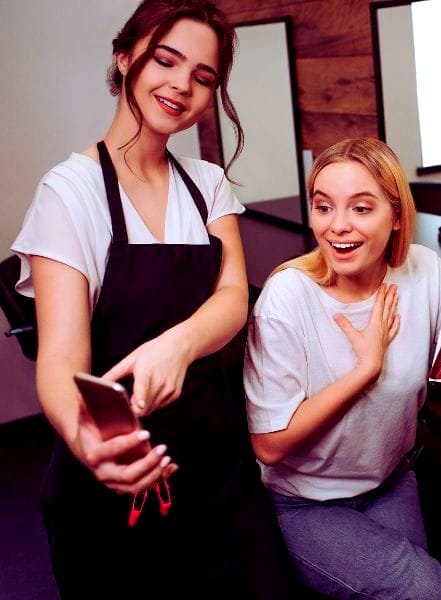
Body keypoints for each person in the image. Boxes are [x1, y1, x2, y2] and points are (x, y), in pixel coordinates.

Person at [12, 1, 295, 597]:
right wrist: (87, 438)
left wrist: (178, 343)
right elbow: (60, 357)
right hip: (119, 470)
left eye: (203, 76)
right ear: (125, 57)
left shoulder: (207, 184)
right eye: (166, 61)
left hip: (218, 465)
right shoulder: (71, 192)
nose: (182, 86)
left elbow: (232, 296)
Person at [244, 138, 441, 599]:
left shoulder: (423, 271)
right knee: (430, 592)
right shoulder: (287, 298)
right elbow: (268, 445)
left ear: (397, 214)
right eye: (324, 207)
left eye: (361, 209)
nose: (337, 227)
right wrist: (365, 369)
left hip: (388, 479)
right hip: (304, 502)